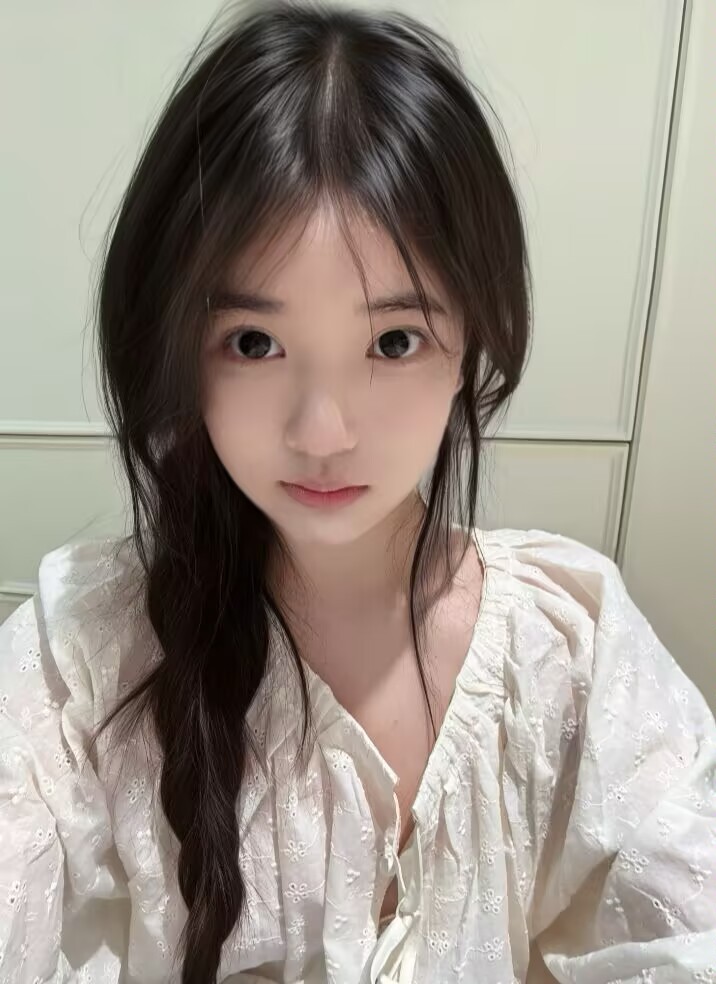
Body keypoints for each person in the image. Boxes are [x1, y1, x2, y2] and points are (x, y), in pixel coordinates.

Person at [1, 2, 714, 982]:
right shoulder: (85, 657)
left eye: (393, 340)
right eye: (253, 342)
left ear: (472, 340)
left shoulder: (570, 650)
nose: (323, 431)